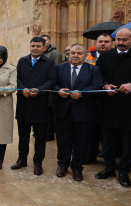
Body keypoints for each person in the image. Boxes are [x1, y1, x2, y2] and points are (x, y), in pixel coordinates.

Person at [54, 44, 103, 182]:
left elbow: (97, 86)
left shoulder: (94, 69)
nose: (75, 55)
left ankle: (77, 168)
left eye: (79, 53)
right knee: (63, 140)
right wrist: (58, 90)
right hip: (63, 110)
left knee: (82, 141)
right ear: (68, 54)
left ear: (85, 55)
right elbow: (53, 83)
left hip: (84, 111)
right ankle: (62, 165)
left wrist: (82, 94)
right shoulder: (59, 68)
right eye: (73, 53)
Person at [12, 37, 56, 176]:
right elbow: (16, 78)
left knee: (40, 137)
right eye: (32, 46)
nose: (35, 48)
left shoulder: (49, 63)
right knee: (23, 136)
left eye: (38, 46)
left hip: (40, 106)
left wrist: (39, 90)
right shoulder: (22, 61)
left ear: (44, 47)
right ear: (29, 47)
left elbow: (51, 80)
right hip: (23, 104)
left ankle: (38, 163)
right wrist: (22, 88)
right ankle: (22, 159)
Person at [95, 27, 131, 187]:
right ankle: (109, 168)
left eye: (125, 40)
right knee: (107, 140)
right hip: (108, 104)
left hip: (128, 107)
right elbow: (98, 75)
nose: (121, 43)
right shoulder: (105, 56)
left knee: (127, 142)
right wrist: (104, 85)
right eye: (119, 39)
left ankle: (124, 172)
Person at [85, 33, 113, 165]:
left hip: (110, 99)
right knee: (92, 129)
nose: (103, 44)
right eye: (100, 41)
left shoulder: (116, 57)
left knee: (108, 131)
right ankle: (91, 154)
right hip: (92, 98)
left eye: (106, 41)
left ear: (111, 43)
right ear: (96, 43)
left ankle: (110, 157)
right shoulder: (87, 57)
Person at [41, 34, 62, 141]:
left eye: (45, 40)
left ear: (49, 41)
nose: (44, 42)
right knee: (44, 110)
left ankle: (49, 133)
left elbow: (55, 68)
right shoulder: (41, 53)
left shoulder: (55, 53)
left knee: (50, 110)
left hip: (50, 87)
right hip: (42, 87)